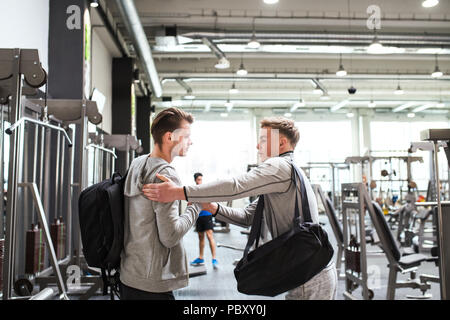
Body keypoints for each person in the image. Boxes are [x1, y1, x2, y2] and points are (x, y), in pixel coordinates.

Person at [142, 116, 338, 300]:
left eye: (263, 140)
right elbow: (247, 217)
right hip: (310, 271)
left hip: (310, 277)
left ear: (281, 143)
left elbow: (236, 186)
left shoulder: (279, 165)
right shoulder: (286, 170)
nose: (257, 145)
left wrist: (178, 192)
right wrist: (212, 208)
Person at [119, 107, 203, 300]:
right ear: (169, 137)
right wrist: (195, 206)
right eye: (187, 136)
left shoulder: (138, 163)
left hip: (130, 274)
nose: (191, 141)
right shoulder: (166, 174)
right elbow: (170, 236)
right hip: (152, 283)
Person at [190, 172, 218, 269]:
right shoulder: (193, 190)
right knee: (201, 237)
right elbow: (190, 203)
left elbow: (211, 201)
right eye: (198, 180)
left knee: (210, 236)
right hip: (199, 216)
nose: (200, 181)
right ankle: (201, 257)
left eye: (201, 179)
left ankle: (214, 258)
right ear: (195, 180)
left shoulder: (205, 189)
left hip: (207, 215)